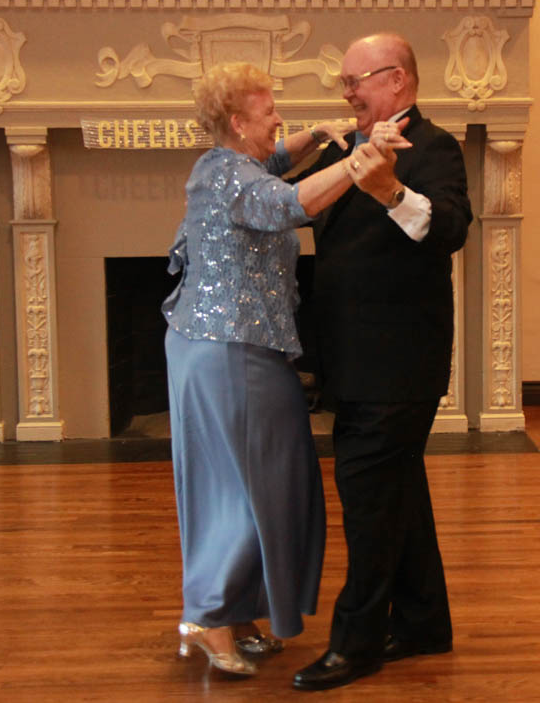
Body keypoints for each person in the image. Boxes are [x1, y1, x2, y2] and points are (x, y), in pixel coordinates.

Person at [162, 62, 376, 677]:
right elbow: (290, 202)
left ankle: (236, 610)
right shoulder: (227, 174)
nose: (280, 118)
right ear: (237, 122)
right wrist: (359, 162)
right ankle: (206, 616)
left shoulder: (231, 165)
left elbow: (276, 163)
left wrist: (317, 136)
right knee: (242, 488)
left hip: (233, 347)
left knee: (269, 485)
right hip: (229, 350)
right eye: (269, 111)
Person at [292, 33, 473, 691]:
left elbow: (451, 229)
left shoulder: (434, 148)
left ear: (398, 79)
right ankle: (424, 622)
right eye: (344, 83)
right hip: (353, 360)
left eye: (355, 81)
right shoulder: (343, 147)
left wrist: (392, 191)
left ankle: (357, 642)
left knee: (368, 501)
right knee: (396, 489)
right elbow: (280, 205)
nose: (347, 93)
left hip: (401, 363)